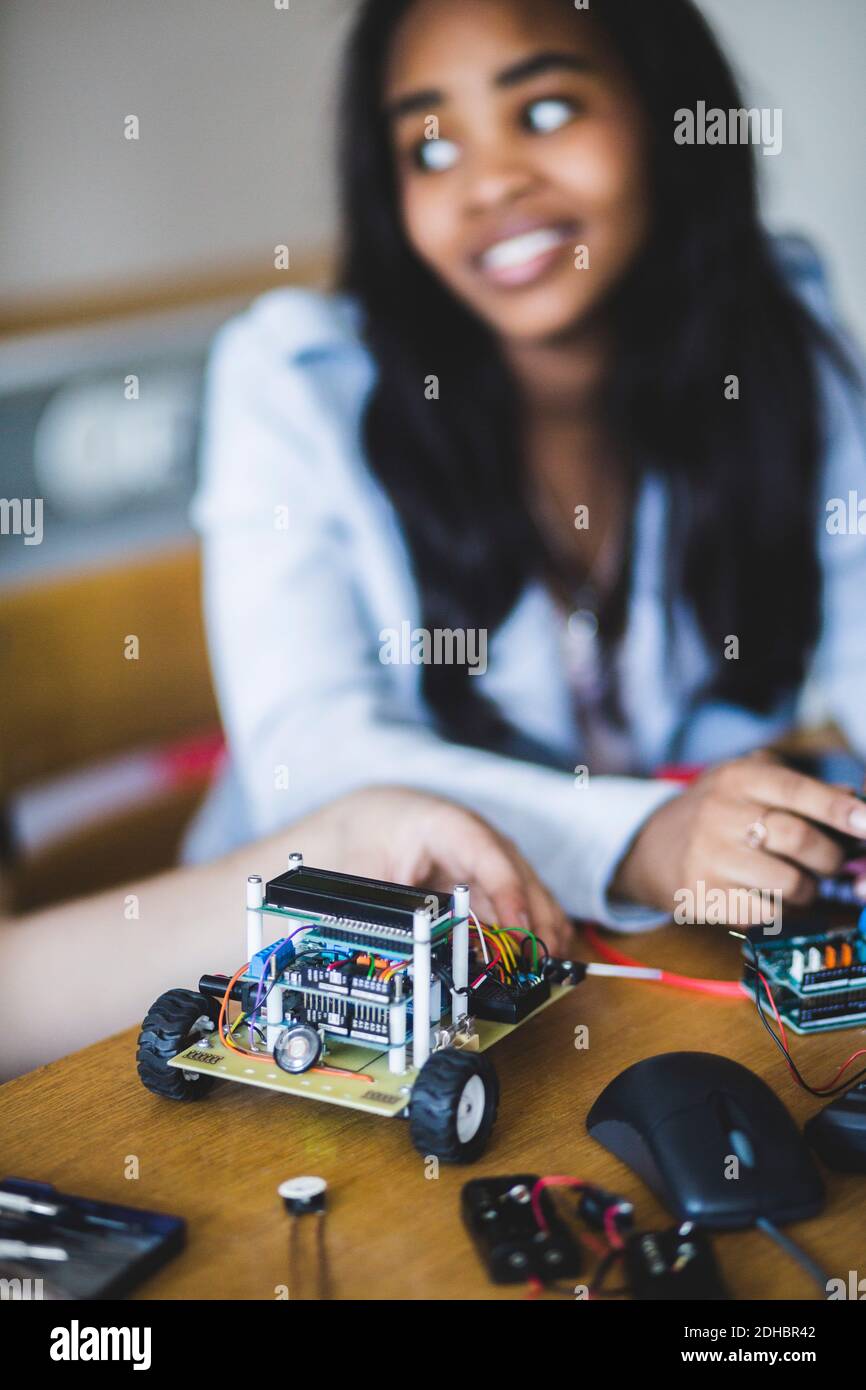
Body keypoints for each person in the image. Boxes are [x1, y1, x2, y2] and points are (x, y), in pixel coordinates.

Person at [184, 0, 866, 935]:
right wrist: (637, 840)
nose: (489, 183)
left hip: (654, 965)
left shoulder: (779, 335)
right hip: (337, 968)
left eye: (544, 111)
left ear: (669, 111)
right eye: (429, 148)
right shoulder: (293, 380)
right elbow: (312, 760)